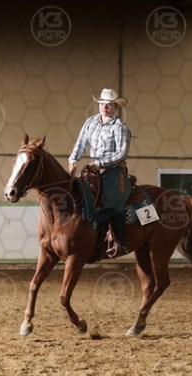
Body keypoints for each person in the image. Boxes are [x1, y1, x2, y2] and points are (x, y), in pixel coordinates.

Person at [68, 88, 132, 257]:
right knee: (76, 191)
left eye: (109, 104)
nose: (105, 107)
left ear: (115, 107)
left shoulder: (120, 127)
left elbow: (122, 153)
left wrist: (99, 163)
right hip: (94, 168)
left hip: (113, 169)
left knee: (112, 199)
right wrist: (73, 159)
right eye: (102, 104)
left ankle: (119, 240)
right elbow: (81, 143)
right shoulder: (90, 122)